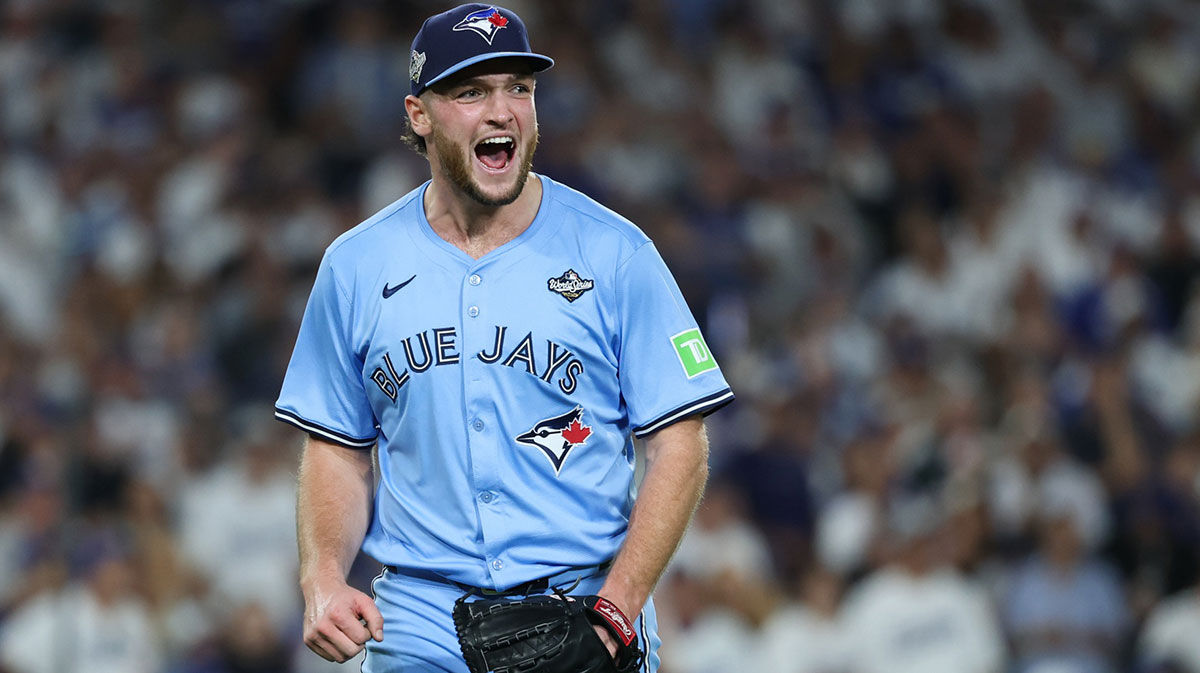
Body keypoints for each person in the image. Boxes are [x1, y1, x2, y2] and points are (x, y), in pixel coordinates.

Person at [273, 4, 734, 672]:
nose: (502, 110)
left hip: (582, 604)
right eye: (470, 92)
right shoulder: (356, 265)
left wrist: (619, 604)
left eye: (519, 88)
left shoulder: (615, 252)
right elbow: (338, 447)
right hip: (421, 619)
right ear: (418, 114)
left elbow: (679, 446)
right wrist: (321, 578)